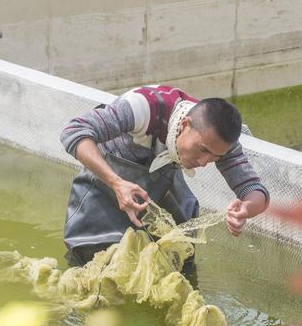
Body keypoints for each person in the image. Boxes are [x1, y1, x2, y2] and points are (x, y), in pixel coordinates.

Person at [60, 85, 269, 266]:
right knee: (91, 259)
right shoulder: (143, 107)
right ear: (185, 125)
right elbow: (74, 131)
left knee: (180, 255)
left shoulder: (218, 139)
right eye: (203, 150)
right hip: (108, 182)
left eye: (216, 157)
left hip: (161, 179)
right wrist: (116, 184)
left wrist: (246, 209)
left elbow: (255, 191)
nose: (205, 163)